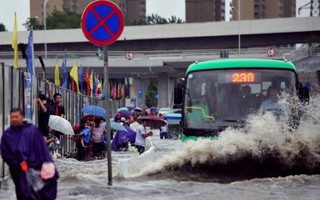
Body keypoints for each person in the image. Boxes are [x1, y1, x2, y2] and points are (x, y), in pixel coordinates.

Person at [0, 108, 59, 200]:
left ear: (22, 117)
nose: (14, 119)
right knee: (23, 192)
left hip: (37, 167)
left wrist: (47, 163)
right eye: (12, 117)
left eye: (16, 117)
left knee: (42, 192)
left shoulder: (32, 130)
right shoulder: (8, 135)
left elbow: (42, 149)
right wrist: (18, 163)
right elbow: (5, 153)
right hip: (18, 170)